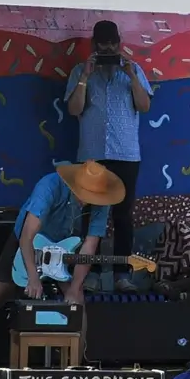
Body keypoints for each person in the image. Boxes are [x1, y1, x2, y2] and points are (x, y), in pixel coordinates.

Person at [0, 162, 121, 374]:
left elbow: (89, 245)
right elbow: (28, 235)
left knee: (77, 301)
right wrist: (33, 277)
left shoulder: (102, 200)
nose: (89, 200)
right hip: (28, 243)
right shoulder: (49, 186)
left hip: (64, 245)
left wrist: (76, 286)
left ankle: (77, 363)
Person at [66, 20, 154, 257]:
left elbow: (144, 106)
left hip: (125, 155)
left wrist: (131, 76)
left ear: (119, 45)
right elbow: (74, 110)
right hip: (91, 156)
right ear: (94, 46)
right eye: (102, 46)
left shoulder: (133, 70)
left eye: (112, 46)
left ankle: (122, 275)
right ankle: (89, 274)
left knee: (123, 215)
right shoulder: (79, 72)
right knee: (90, 215)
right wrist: (85, 76)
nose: (107, 51)